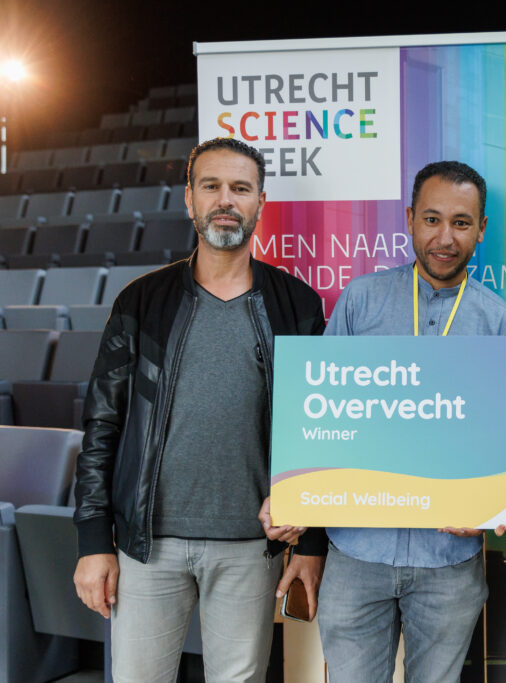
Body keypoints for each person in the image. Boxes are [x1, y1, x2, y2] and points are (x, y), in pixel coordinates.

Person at [71, 137, 327, 682]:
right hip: (147, 547)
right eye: (211, 186)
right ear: (189, 198)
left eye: (241, 188)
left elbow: (319, 429)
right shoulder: (141, 302)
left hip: (250, 550)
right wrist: (93, 541)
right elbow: (102, 426)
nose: (225, 200)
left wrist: (310, 541)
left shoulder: (298, 305)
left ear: (260, 201)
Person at [281, 160, 506, 683]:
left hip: (449, 561)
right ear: (410, 219)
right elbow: (320, 418)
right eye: (432, 219)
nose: (445, 237)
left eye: (461, 222)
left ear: (481, 229)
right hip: (356, 553)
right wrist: (305, 533)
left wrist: (494, 505)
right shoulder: (360, 300)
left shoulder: (501, 323)